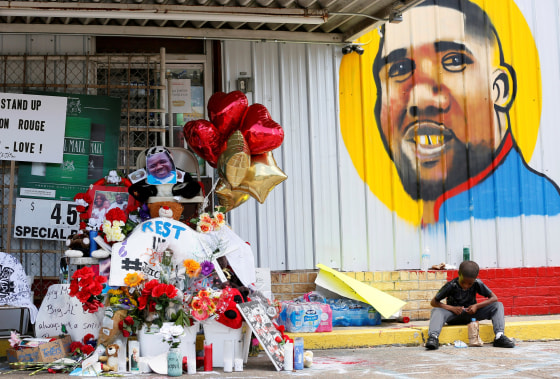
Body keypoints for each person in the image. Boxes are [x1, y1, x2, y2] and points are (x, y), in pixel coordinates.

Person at [372, 0, 560, 224]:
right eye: (399, 69)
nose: (420, 99)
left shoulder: (540, 211)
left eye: (453, 61)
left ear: (499, 89)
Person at [425, 260, 514, 350]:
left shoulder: (477, 283)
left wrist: (476, 306)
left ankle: (499, 336)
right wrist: (451, 308)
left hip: (472, 315)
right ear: (459, 274)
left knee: (498, 305)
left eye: (470, 284)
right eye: (463, 282)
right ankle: (433, 337)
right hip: (454, 315)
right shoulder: (451, 285)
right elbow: (434, 302)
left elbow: (494, 298)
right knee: (436, 311)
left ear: (475, 279)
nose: (466, 286)